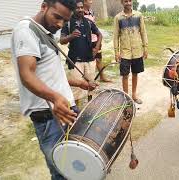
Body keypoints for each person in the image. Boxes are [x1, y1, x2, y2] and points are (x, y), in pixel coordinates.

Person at [11, 0, 95, 179]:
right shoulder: (26, 31)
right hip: (49, 117)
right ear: (43, 6)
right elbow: (27, 74)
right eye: (57, 17)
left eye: (64, 21)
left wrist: (78, 83)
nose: (59, 24)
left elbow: (50, 73)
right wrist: (56, 98)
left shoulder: (45, 33)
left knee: (76, 167)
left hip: (64, 111)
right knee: (62, 171)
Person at [60, 0, 102, 103]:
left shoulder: (88, 22)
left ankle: (90, 104)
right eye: (77, 8)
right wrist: (71, 36)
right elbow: (61, 41)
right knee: (77, 88)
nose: (80, 10)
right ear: (73, 9)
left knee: (91, 85)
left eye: (81, 7)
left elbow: (99, 34)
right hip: (74, 61)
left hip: (89, 59)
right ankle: (76, 110)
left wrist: (96, 48)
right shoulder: (68, 23)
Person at [113, 0, 148, 104]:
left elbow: (143, 32)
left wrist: (145, 48)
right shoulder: (118, 18)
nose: (128, 3)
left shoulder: (139, 15)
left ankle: (134, 95)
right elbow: (115, 36)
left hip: (137, 51)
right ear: (122, 3)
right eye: (125, 1)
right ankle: (126, 97)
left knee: (135, 73)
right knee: (125, 75)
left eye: (129, 0)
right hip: (125, 53)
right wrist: (116, 51)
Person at [83, 0, 112, 82]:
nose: (91, 2)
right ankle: (87, 80)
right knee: (87, 61)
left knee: (98, 59)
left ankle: (102, 76)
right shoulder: (79, 13)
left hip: (95, 40)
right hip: (86, 41)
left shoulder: (91, 12)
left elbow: (94, 25)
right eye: (89, 1)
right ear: (84, 2)